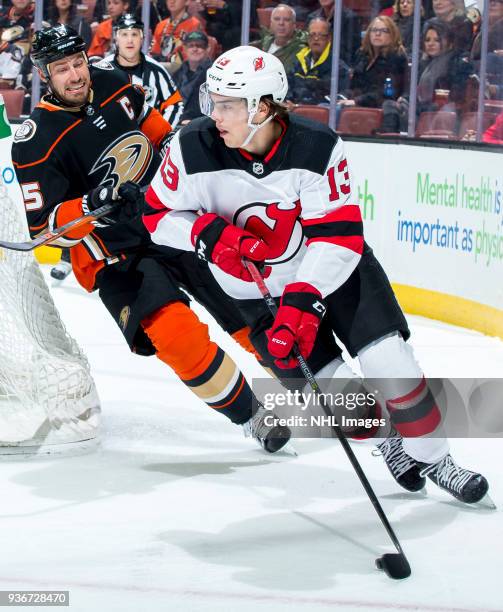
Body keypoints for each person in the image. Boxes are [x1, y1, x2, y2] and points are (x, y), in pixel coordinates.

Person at [144, 45, 490, 505]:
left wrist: (304, 300)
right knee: (334, 392)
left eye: (227, 104)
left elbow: (339, 236)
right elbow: (156, 215)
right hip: (255, 294)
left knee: (392, 365)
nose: (215, 114)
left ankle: (438, 459)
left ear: (262, 107)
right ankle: (385, 440)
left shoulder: (316, 145)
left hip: (335, 274)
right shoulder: (191, 146)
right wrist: (207, 235)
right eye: (213, 101)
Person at [12, 25, 291, 455]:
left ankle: (329, 399)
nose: (74, 75)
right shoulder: (35, 141)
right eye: (61, 68)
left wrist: (175, 161)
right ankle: (252, 415)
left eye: (78, 62)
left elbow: (160, 136)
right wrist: (91, 203)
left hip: (171, 219)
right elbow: (45, 229)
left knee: (247, 308)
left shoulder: (114, 82)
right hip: (113, 254)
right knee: (175, 335)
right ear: (45, 75)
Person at [105, 13, 184, 128]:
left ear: (142, 38)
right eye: (124, 34)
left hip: (149, 142)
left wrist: (162, 133)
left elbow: (175, 104)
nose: (130, 40)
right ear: (116, 38)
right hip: (112, 141)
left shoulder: (157, 71)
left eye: (135, 34)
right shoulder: (102, 69)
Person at [342, 15, 409, 133]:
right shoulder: (362, 54)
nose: (377, 34)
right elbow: (353, 85)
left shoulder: (396, 57)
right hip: (359, 102)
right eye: (374, 30)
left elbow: (387, 93)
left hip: (381, 104)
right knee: (329, 107)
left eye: (383, 31)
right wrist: (343, 96)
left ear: (392, 34)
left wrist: (357, 101)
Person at [286, 17, 349, 106]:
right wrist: (287, 101)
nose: (316, 39)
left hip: (318, 115)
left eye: (321, 35)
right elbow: (286, 85)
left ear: (329, 38)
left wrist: (300, 106)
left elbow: (337, 98)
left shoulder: (338, 68)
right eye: (312, 35)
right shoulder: (299, 62)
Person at [416, 19, 473, 114]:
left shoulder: (458, 63)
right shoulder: (424, 64)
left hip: (445, 114)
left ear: (450, 42)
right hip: (424, 110)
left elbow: (455, 99)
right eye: (427, 40)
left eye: (437, 40)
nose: (430, 44)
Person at [251, 4, 307, 74]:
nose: (281, 23)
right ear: (271, 24)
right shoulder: (262, 44)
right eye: (277, 19)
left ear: (294, 25)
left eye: (286, 20)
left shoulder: (301, 49)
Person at [306, 0, 361, 66]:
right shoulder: (312, 17)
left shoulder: (349, 18)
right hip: (314, 64)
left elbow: (349, 52)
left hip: (338, 66)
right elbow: (307, 47)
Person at [173, 30, 211, 123]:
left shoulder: (214, 74)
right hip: (175, 123)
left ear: (207, 49)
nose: (195, 49)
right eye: (191, 46)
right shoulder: (177, 74)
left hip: (201, 125)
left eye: (199, 46)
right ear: (185, 49)